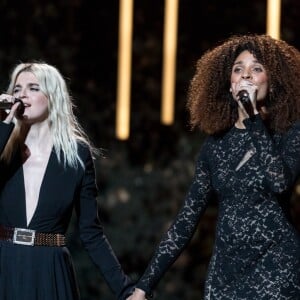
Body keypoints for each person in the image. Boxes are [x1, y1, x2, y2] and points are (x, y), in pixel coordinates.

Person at [127, 34, 300, 299]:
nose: (246, 76)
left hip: (277, 269)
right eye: (238, 69)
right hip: (225, 274)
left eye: (257, 68)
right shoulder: (215, 146)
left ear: (273, 82)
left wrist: (253, 117)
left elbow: (279, 182)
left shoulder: (289, 133)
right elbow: (186, 220)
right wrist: (144, 286)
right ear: (230, 84)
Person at [0, 62, 134, 300]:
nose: (22, 94)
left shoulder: (77, 156)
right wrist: (2, 127)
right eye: (17, 88)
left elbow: (91, 233)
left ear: (53, 96)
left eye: (33, 88)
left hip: (49, 270)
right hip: (5, 265)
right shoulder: (4, 150)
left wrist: (125, 290)